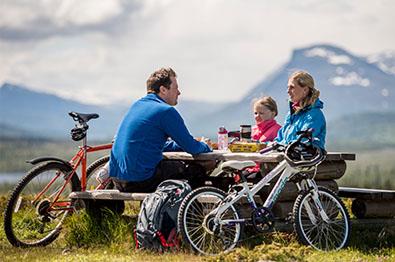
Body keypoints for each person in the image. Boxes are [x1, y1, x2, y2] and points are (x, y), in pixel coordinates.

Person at [109, 67, 212, 192]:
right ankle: (191, 210)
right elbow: (192, 148)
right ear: (163, 89)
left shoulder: (137, 106)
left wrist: (180, 145)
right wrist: (205, 146)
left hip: (118, 180)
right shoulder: (165, 111)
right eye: (176, 88)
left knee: (169, 167)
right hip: (140, 180)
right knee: (196, 170)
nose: (179, 92)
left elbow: (152, 144)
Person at [275, 70, 326, 149]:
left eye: (292, 87)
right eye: (288, 87)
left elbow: (302, 142)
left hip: (306, 160)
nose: (287, 91)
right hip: (289, 157)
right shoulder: (291, 114)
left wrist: (280, 147)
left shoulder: (314, 115)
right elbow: (279, 139)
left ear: (305, 90)